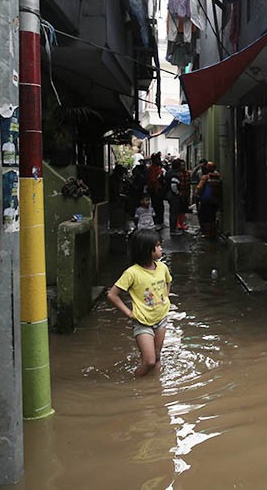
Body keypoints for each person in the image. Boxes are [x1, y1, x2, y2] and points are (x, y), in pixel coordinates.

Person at [106, 229, 172, 377]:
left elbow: (168, 282)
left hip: (161, 319)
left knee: (157, 357)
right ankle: (134, 384)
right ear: (146, 249)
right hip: (142, 321)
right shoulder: (132, 273)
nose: (161, 248)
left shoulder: (162, 267)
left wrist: (165, 298)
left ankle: (154, 388)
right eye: (158, 245)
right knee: (149, 361)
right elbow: (112, 294)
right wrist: (129, 313)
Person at [196, 161, 222, 238]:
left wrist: (198, 194)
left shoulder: (205, 177)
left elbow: (199, 188)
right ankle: (212, 232)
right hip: (215, 200)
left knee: (206, 217)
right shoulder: (218, 176)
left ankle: (207, 233)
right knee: (212, 217)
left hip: (206, 200)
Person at [146, 152, 166, 227]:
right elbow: (154, 181)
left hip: (157, 190)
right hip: (155, 190)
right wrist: (156, 190)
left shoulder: (156, 168)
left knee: (158, 206)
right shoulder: (153, 169)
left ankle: (159, 221)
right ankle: (158, 221)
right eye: (158, 159)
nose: (159, 160)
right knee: (157, 206)